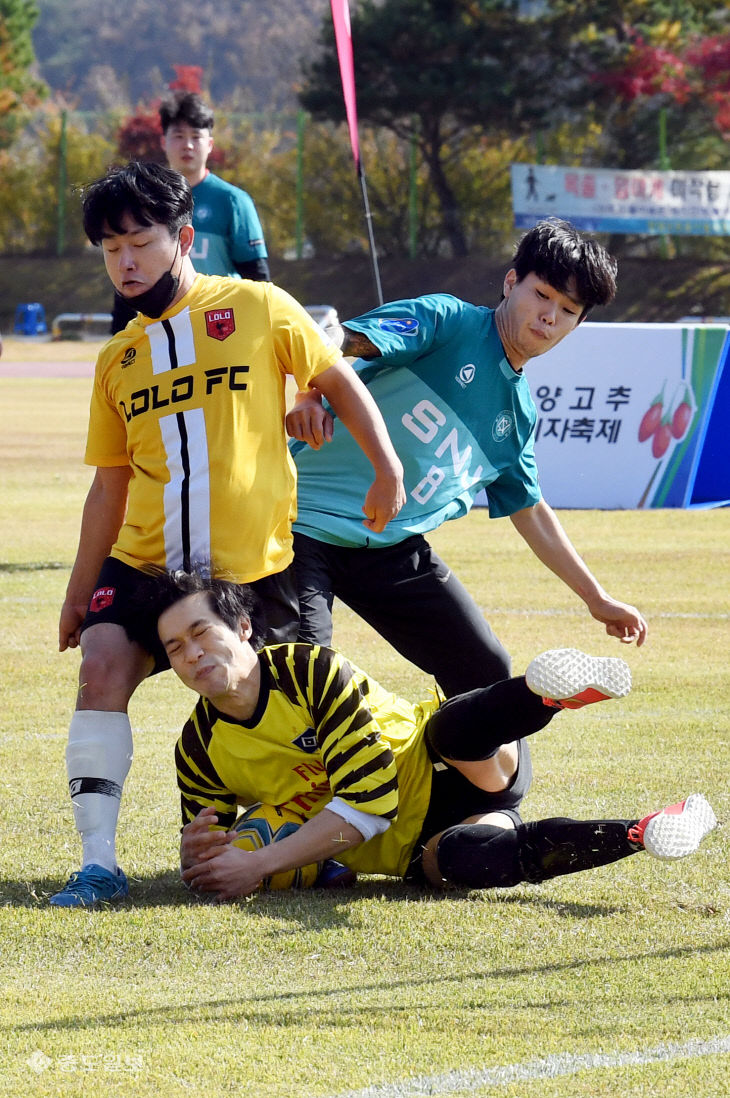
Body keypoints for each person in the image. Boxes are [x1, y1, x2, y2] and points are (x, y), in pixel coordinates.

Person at [50, 161, 404, 908]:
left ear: (182, 238)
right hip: (145, 565)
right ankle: (98, 865)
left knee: (299, 713)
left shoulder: (258, 306)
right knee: (100, 666)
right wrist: (80, 593)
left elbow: (336, 379)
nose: (126, 261)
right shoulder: (118, 359)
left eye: (139, 242)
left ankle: (316, 845)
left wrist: (387, 466)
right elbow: (109, 486)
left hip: (256, 571)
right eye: (110, 250)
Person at [142, 570, 714, 902]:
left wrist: (260, 864)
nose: (192, 655)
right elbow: (209, 848)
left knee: (452, 732)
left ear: (243, 627)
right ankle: (650, 830)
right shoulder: (196, 748)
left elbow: (367, 806)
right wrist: (201, 854)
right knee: (468, 862)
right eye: (175, 649)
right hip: (414, 848)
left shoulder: (310, 671)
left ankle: (545, 694)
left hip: (450, 765)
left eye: (202, 633)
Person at [287, 219, 649, 701]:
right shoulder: (448, 321)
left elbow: (531, 512)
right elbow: (333, 340)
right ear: (510, 281)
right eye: (542, 294)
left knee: (485, 668)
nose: (548, 317)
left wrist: (596, 598)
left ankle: (452, 770)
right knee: (301, 674)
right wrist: (310, 390)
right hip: (300, 524)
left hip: (387, 544)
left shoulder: (517, 418)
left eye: (567, 310)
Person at [110, 90, 270, 334]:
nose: (187, 144)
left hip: (221, 328)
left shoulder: (233, 201)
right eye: (179, 135)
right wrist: (119, 331)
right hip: (161, 327)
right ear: (163, 141)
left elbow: (257, 279)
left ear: (210, 144)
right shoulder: (143, 200)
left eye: (196, 136)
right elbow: (128, 269)